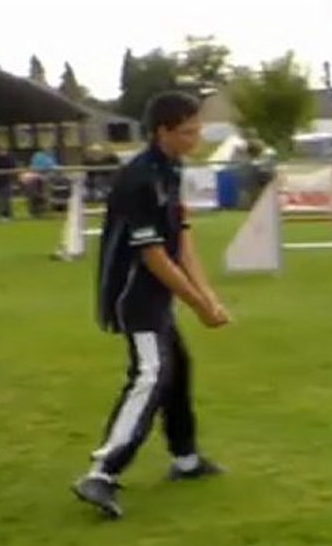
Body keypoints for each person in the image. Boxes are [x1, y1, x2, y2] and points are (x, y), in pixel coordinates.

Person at [72, 91, 231, 520]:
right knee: (151, 375)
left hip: (157, 296)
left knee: (177, 369)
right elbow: (154, 255)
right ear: (162, 131)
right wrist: (198, 305)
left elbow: (182, 237)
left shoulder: (171, 170)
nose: (195, 138)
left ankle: (186, 459)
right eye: (187, 131)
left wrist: (208, 295)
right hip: (134, 296)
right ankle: (101, 472)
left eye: (196, 129)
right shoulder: (138, 179)